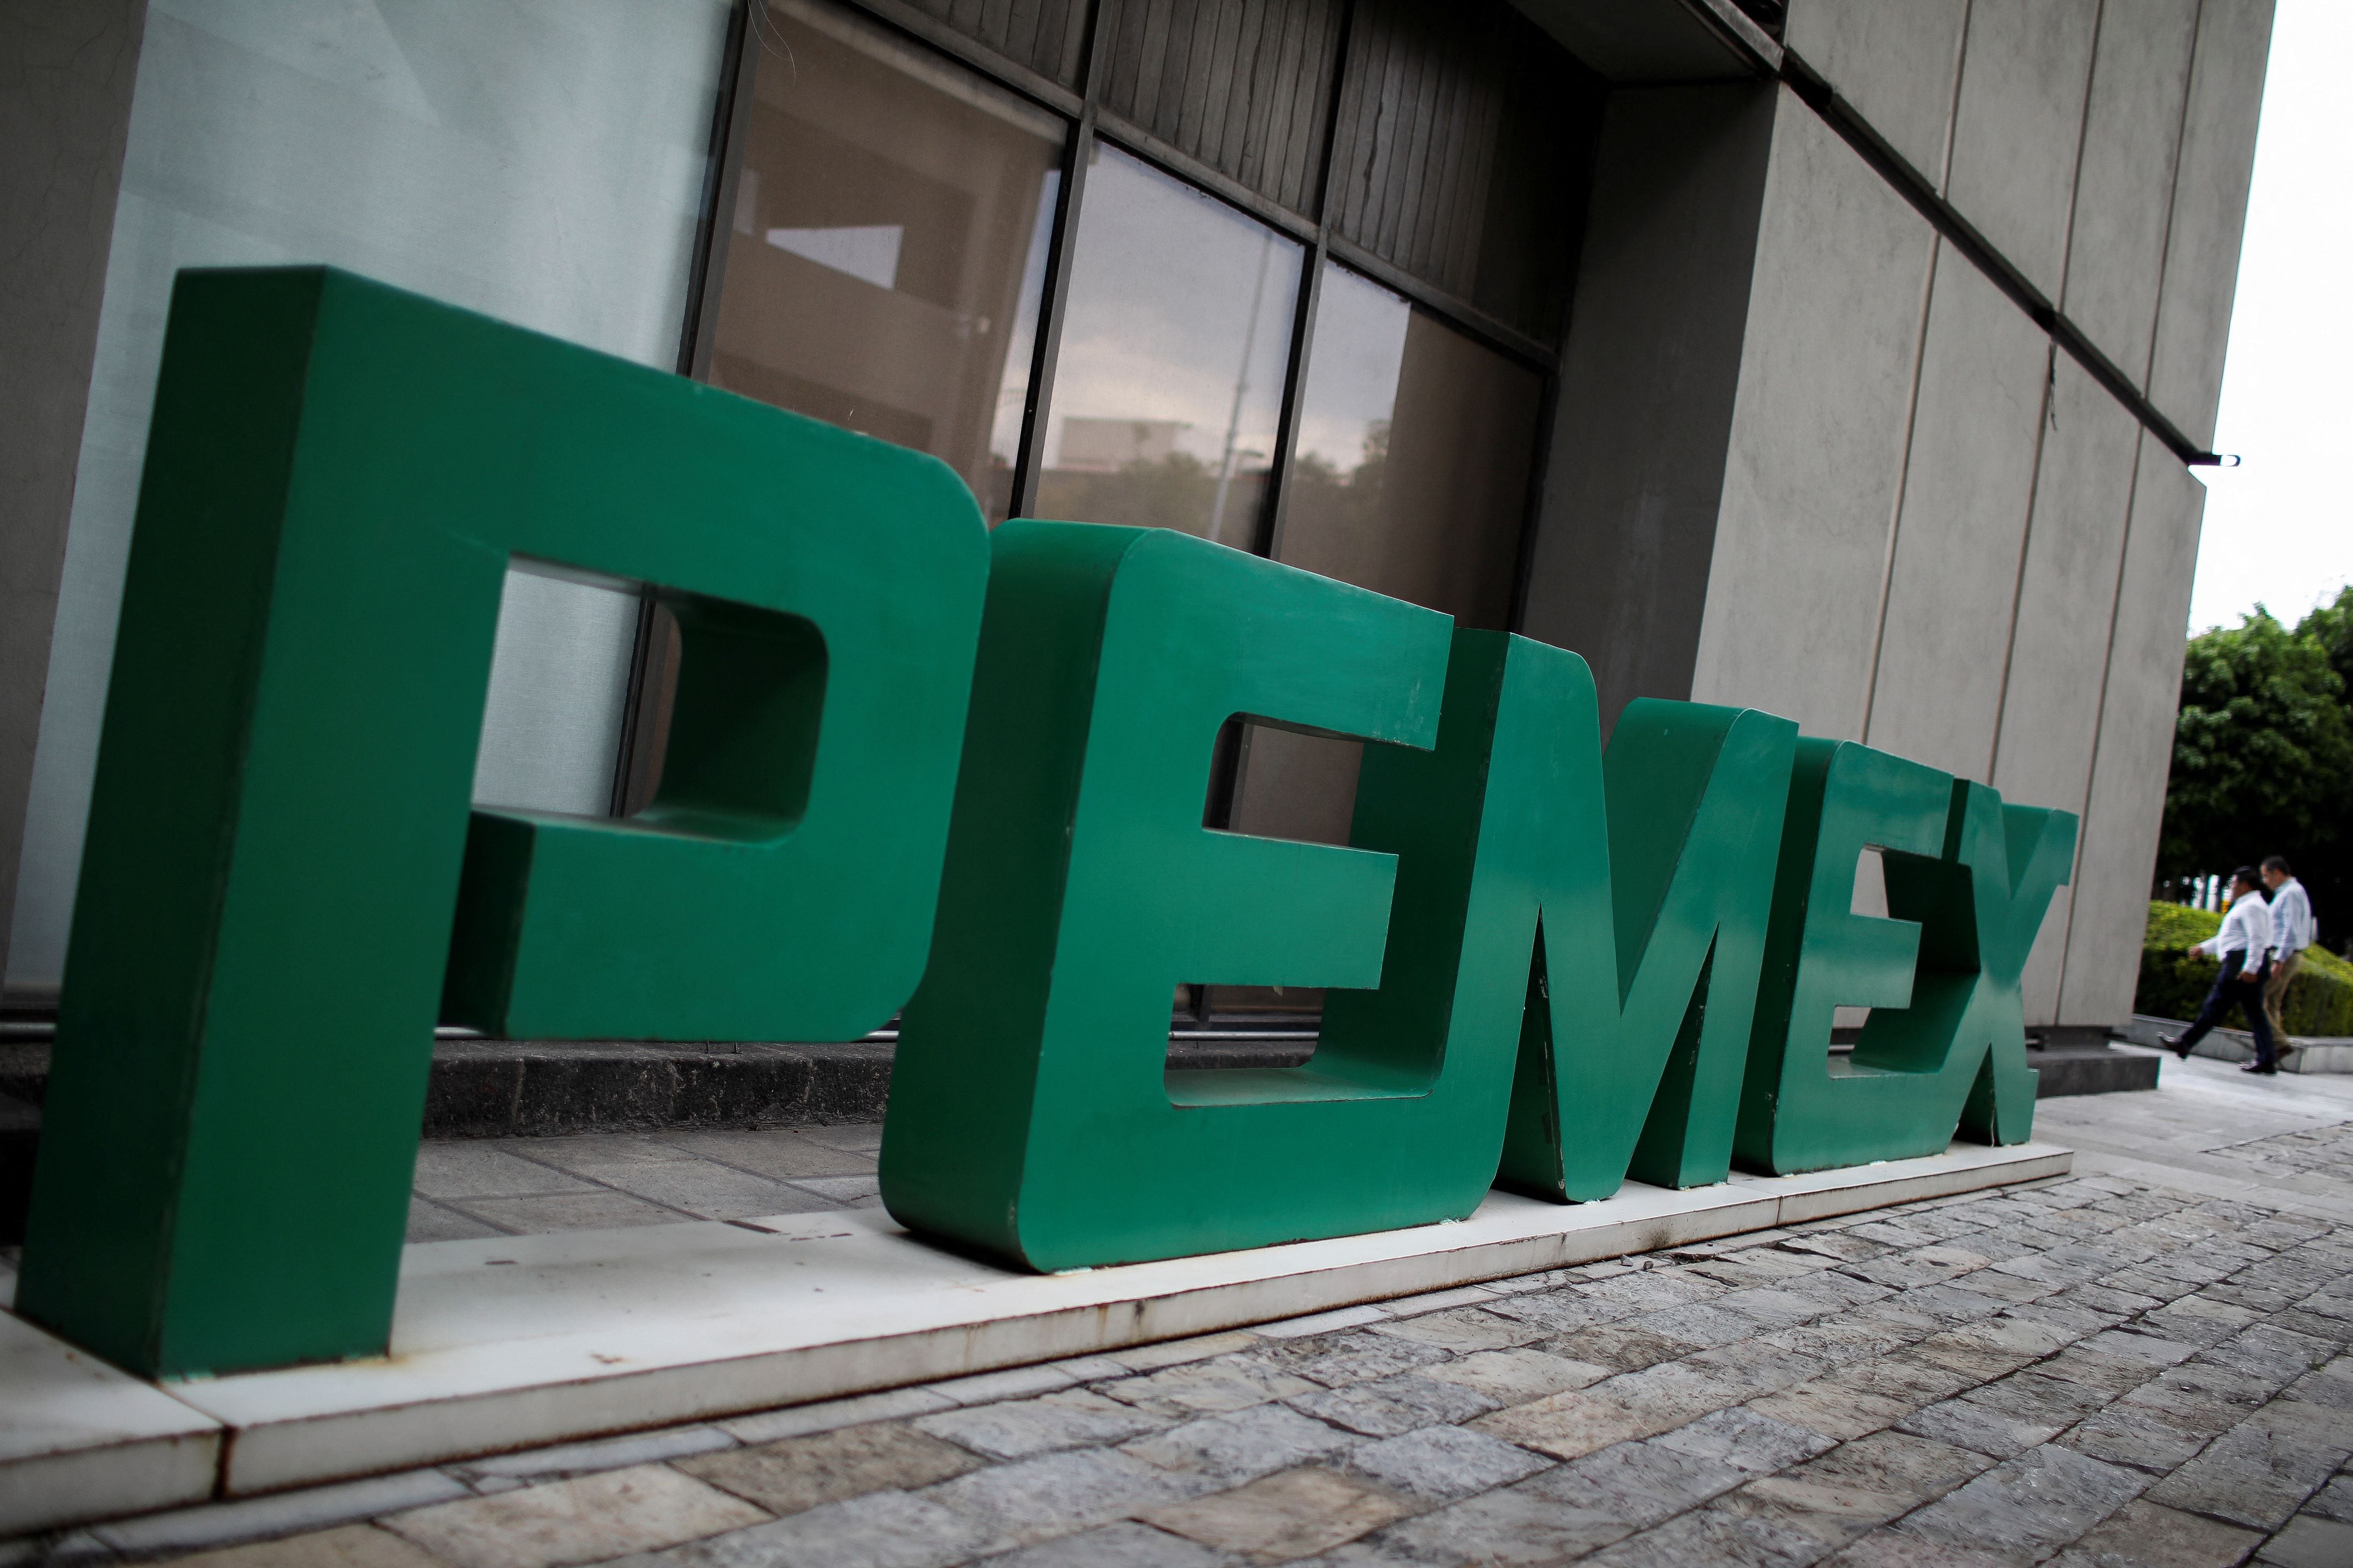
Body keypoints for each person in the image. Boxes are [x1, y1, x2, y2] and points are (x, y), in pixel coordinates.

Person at [2162, 865, 2277, 1074]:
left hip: (2240, 964)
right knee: (2253, 1013)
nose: (2231, 888)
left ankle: (2185, 1043)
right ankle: (2267, 1059)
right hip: (2242, 962)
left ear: (2244, 885)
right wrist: (2204, 948)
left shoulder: (2252, 906)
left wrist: (2250, 968)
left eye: (2233, 884)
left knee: (2216, 1006)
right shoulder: (2247, 905)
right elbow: (2230, 938)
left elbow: (2257, 940)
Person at [2262, 855, 2315, 1058]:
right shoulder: (2291, 892)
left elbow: (2290, 930)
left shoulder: (2291, 893)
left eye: (2266, 876)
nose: (2265, 882)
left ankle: (2279, 1044)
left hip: (2285, 955)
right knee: (2272, 1004)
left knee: (2254, 998)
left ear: (2277, 873)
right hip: (2288, 955)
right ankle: (2270, 1052)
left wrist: (2279, 960)